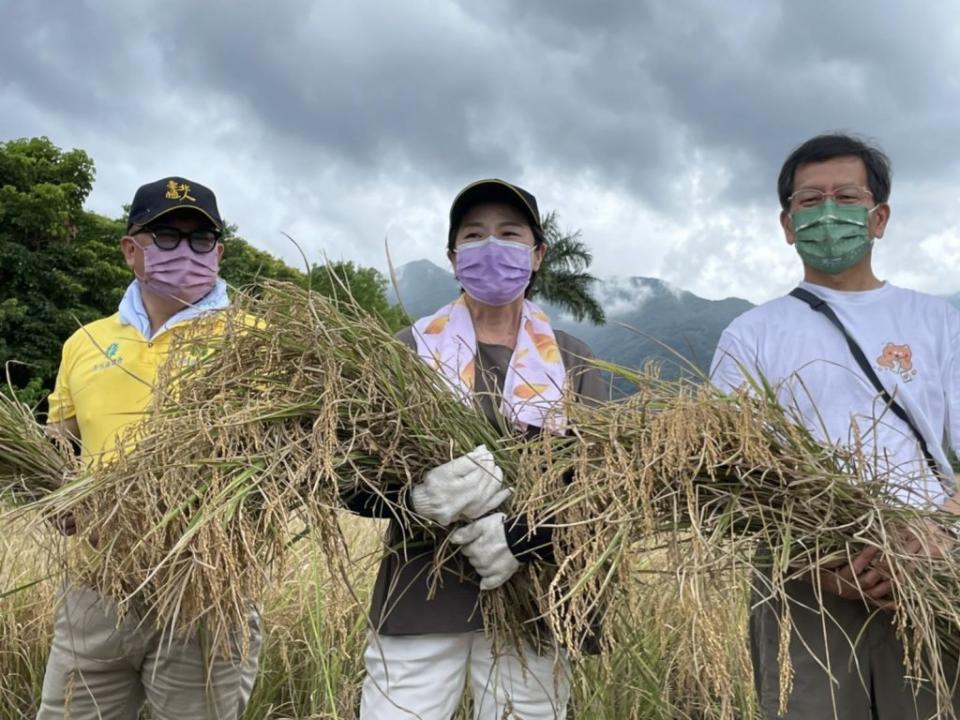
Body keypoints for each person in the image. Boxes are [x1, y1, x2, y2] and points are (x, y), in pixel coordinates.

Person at [710, 134, 960, 719]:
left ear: (879, 217)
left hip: (934, 575)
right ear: (787, 222)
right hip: (804, 586)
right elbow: (727, 480)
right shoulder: (751, 335)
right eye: (809, 200)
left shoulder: (937, 321)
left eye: (846, 196)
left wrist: (941, 537)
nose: (827, 212)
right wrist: (823, 563)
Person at [342, 179, 606, 719]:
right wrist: (410, 499)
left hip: (534, 604)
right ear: (452, 255)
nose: (492, 247)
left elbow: (605, 484)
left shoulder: (573, 360)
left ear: (537, 255)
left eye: (509, 234)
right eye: (474, 234)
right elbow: (349, 478)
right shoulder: (407, 351)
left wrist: (526, 535)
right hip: (420, 600)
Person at [39, 177, 261, 720]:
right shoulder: (85, 343)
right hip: (96, 589)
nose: (185, 250)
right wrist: (59, 504)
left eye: (200, 238)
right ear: (130, 248)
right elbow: (57, 449)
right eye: (166, 235)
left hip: (206, 593)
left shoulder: (259, 341)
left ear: (219, 251)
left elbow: (283, 467)